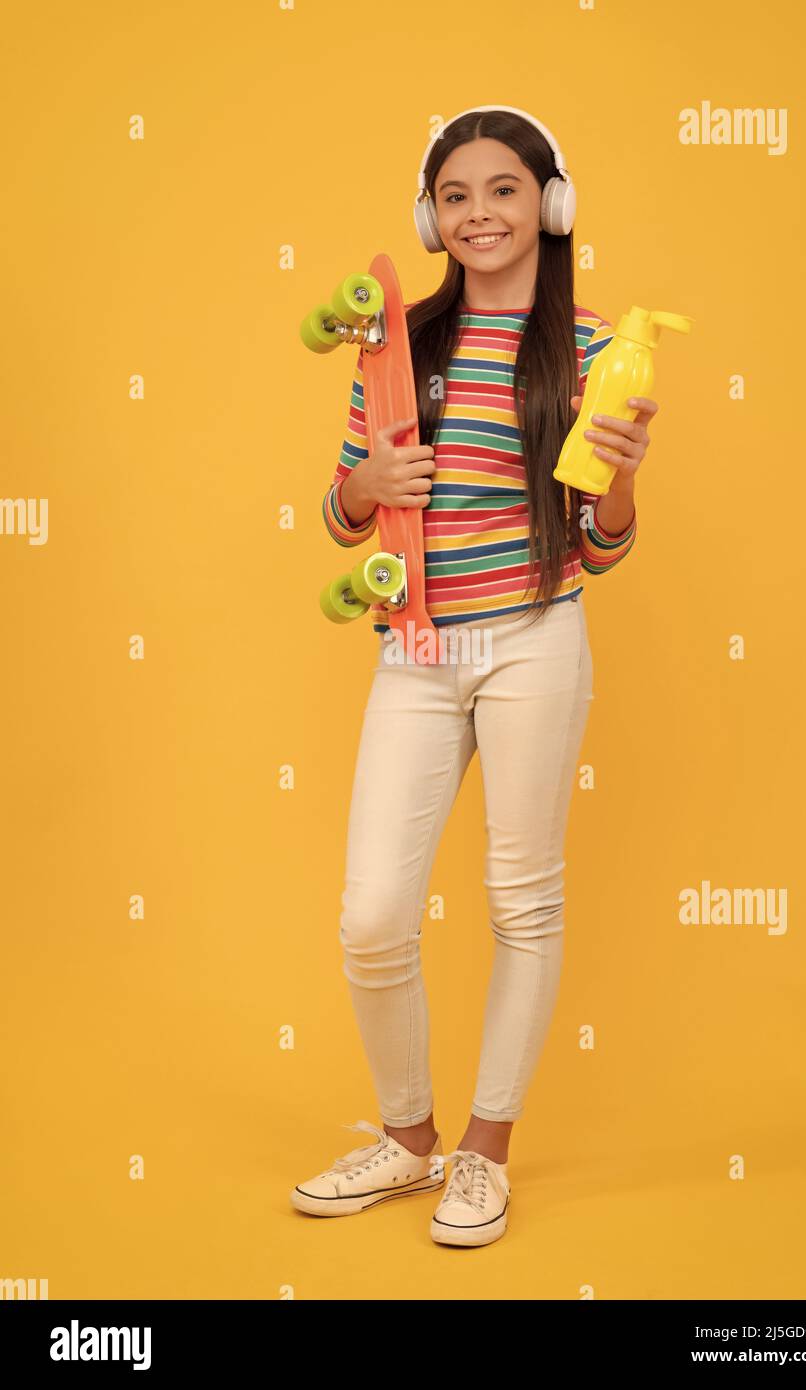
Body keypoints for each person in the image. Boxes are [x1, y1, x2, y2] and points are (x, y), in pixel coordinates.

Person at [291, 106, 658, 1247]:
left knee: (521, 900)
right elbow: (342, 512)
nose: (480, 214)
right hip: (418, 650)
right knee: (372, 916)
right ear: (429, 217)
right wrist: (369, 484)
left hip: (536, 642)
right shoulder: (398, 344)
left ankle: (483, 1153)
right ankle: (406, 1141)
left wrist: (618, 483)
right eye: (456, 195)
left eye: (504, 190)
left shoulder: (592, 349)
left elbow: (600, 546)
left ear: (549, 206)